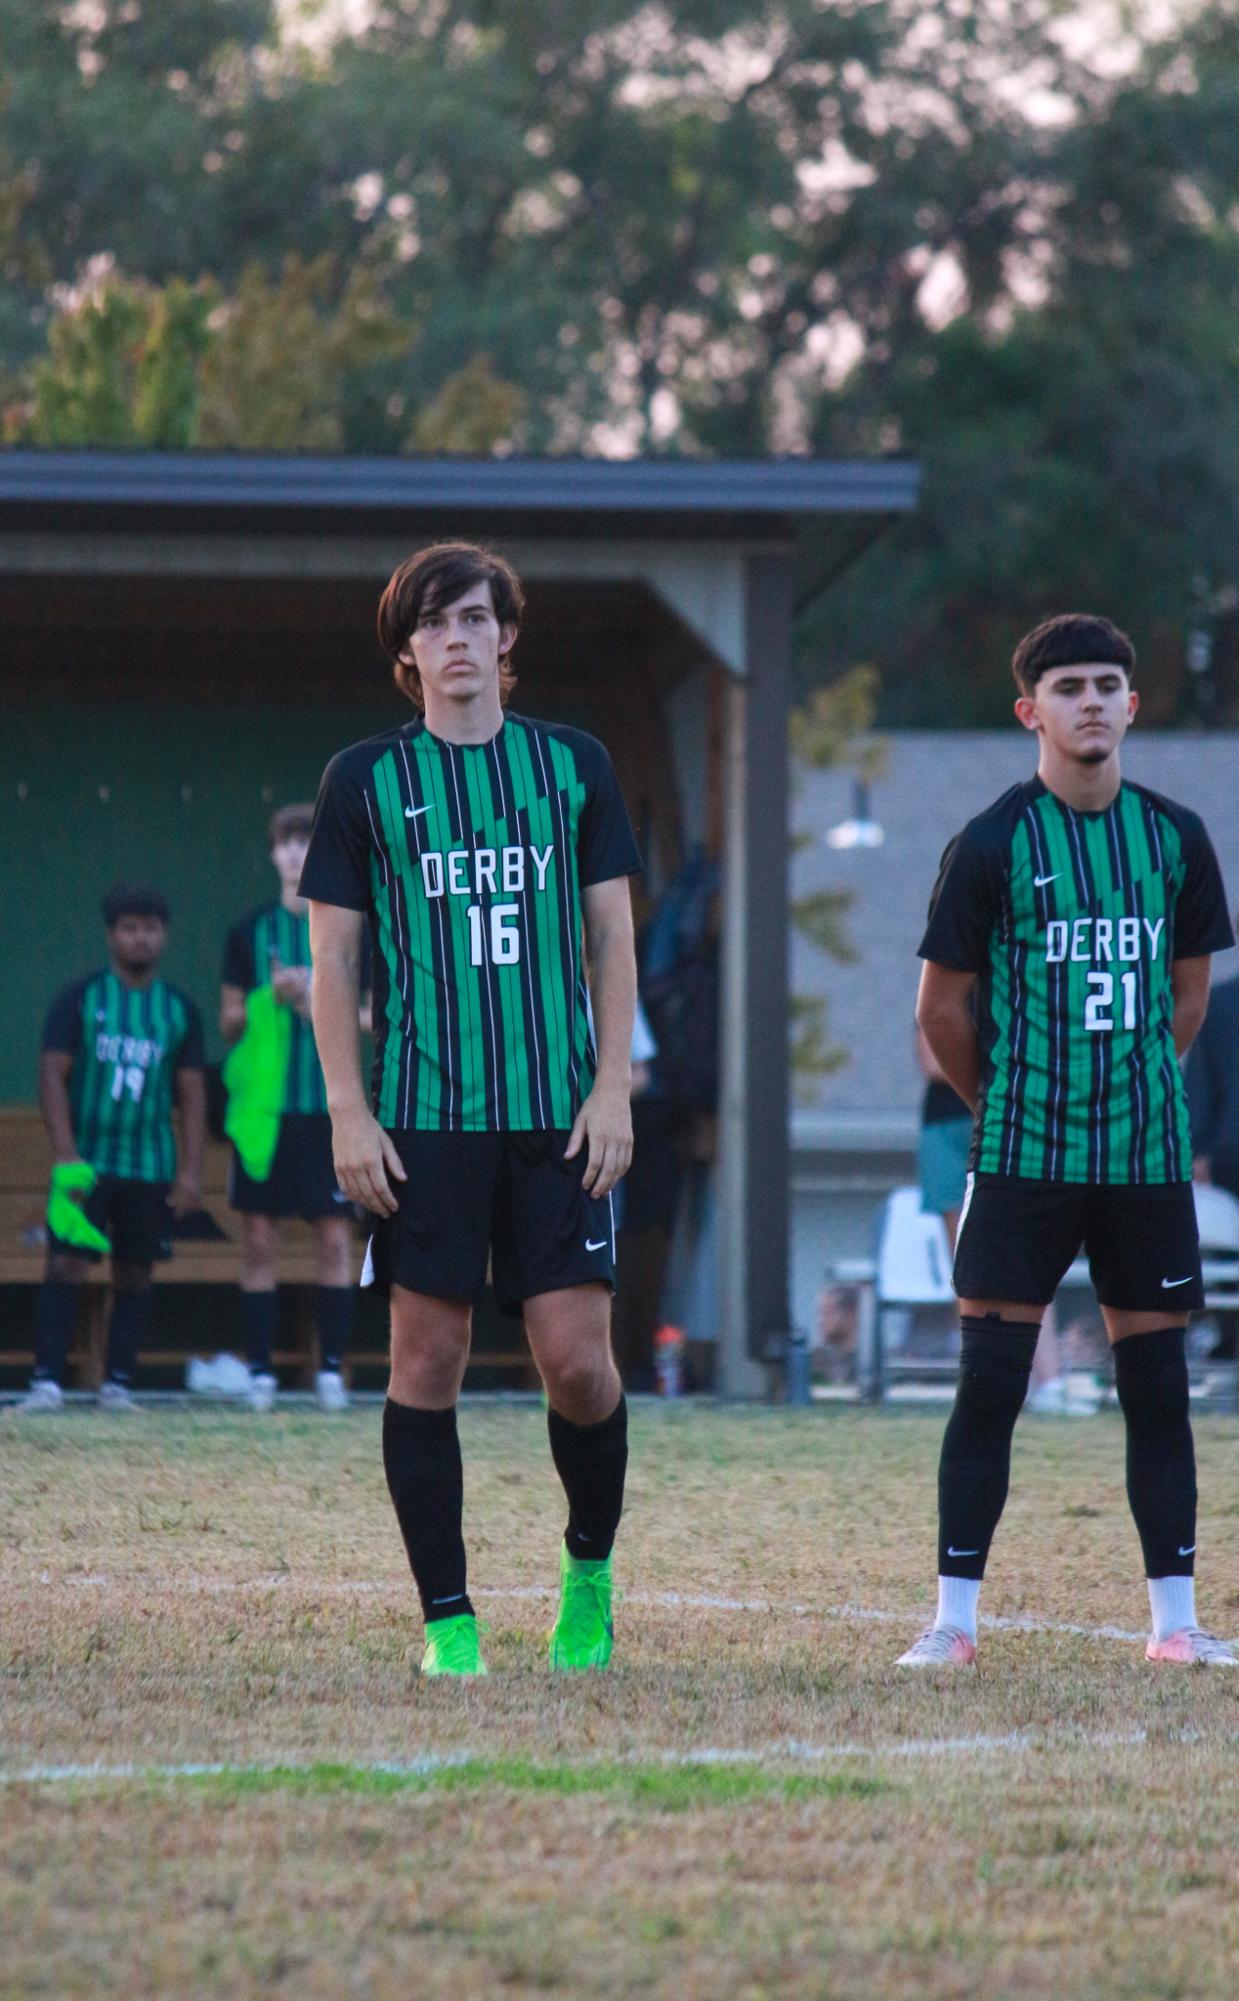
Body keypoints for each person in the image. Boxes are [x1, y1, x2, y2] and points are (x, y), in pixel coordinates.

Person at [300, 540, 641, 1676]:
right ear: (409, 652)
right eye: (435, 623)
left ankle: (586, 1577)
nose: (458, 638)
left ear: (508, 638)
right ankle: (450, 1624)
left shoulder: (574, 767)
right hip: (427, 1117)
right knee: (425, 1361)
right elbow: (336, 966)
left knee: (578, 1362)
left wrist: (612, 1086)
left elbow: (608, 936)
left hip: (557, 1113)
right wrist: (349, 1112)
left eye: (476, 617)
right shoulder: (363, 781)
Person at [896, 613, 1236, 1668]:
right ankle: (953, 1624)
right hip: (1022, 1155)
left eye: (1106, 685)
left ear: (1132, 705)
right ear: (1029, 711)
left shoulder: (1175, 838)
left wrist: (1130, 1080)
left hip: (1140, 1161)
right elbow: (939, 1012)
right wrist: (1007, 1096)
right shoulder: (994, 842)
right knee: (990, 1386)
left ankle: (1174, 1627)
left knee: (1157, 1391)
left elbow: (1189, 995)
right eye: (1068, 687)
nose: (1089, 701)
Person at [22, 885, 206, 1411]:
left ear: (164, 936)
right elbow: (51, 1075)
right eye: (129, 928)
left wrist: (191, 1172)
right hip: (88, 1163)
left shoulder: (179, 1010)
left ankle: (118, 1383)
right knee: (65, 1267)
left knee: (134, 1272)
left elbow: (191, 1095)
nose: (140, 938)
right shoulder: (80, 999)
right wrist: (65, 1154)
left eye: (150, 928)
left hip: (149, 1166)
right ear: (111, 936)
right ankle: (46, 1383)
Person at [221, 804, 371, 1413]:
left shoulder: (354, 928)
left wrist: (318, 1001)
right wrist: (270, 996)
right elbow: (229, 1023)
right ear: (273, 854)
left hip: (328, 1109)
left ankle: (331, 1371)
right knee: (259, 1239)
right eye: (284, 842)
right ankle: (260, 1374)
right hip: (266, 1114)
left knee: (335, 1240)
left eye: (305, 840)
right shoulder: (247, 933)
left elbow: (375, 1019)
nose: (294, 852)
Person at [1185, 949, 1239, 1358]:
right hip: (1227, 1153)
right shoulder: (1218, 1002)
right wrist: (1197, 1148)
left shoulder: (1218, 1001)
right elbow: (1201, 1081)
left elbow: (1201, 1085)